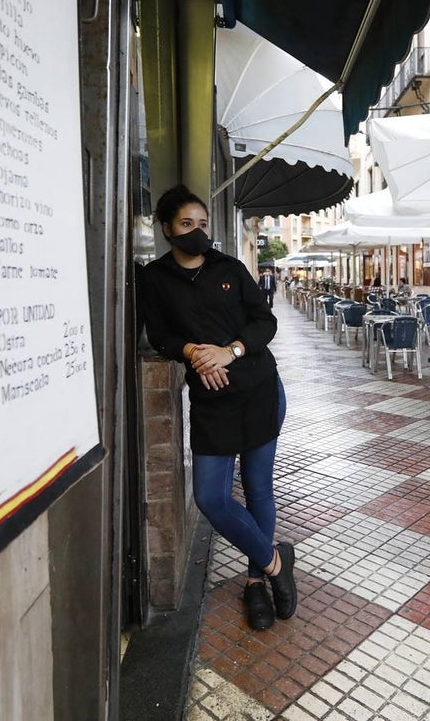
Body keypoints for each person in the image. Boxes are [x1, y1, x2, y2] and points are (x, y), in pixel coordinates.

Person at [140, 185, 295, 631]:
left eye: (203, 224)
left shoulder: (230, 268)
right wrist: (192, 351)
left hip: (258, 388)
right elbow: (160, 335)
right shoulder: (154, 278)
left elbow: (265, 321)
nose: (197, 233)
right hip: (210, 400)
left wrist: (231, 350)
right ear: (167, 228)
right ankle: (275, 564)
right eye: (186, 225)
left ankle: (254, 581)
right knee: (210, 496)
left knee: (258, 488)